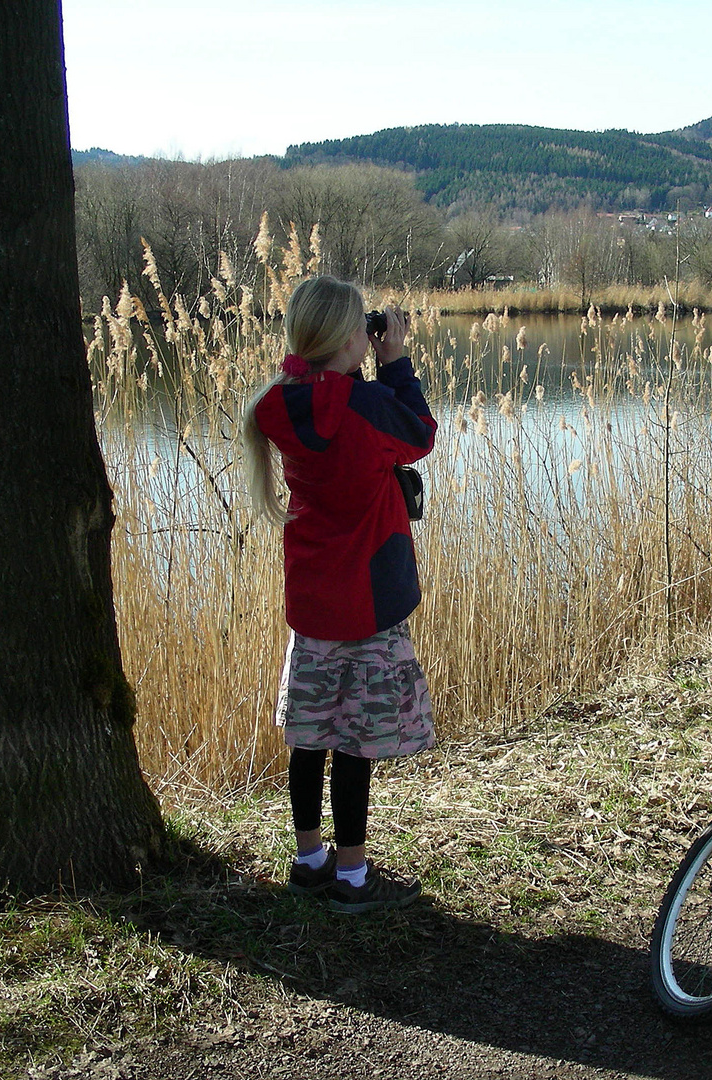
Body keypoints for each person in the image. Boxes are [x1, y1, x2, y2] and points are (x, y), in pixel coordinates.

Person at [241, 275, 436, 913]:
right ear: (352, 338)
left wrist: (357, 370)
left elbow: (329, 401)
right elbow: (419, 433)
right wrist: (396, 361)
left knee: (311, 736)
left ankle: (309, 860)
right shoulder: (367, 407)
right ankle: (353, 877)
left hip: (312, 604)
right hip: (371, 606)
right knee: (355, 743)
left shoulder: (277, 405)